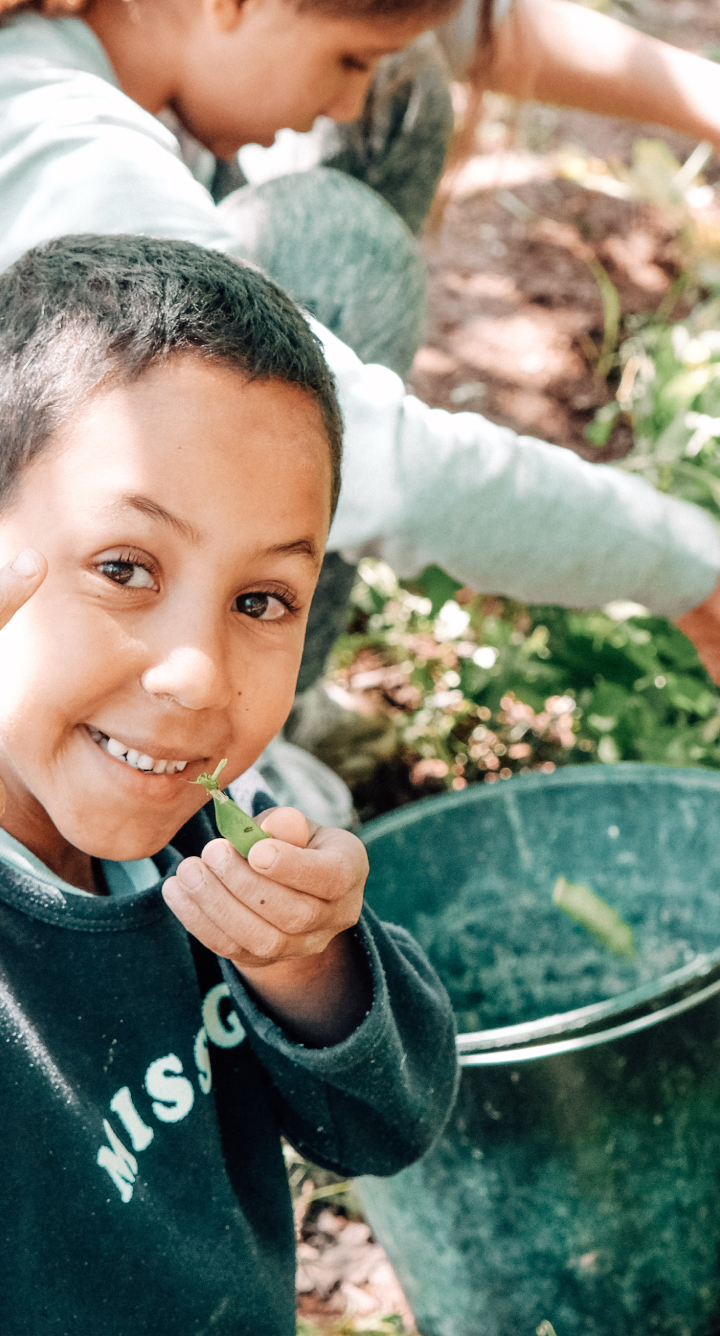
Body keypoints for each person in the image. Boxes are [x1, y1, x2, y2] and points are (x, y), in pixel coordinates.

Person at [1, 0, 720, 813]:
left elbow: (476, 24)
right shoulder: (59, 147)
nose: (349, 103)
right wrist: (690, 568)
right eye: (347, 62)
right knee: (333, 243)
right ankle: (170, 734)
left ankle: (257, 677)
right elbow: (388, 464)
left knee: (407, 83)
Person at [0, 231, 458, 1334]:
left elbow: (386, 1125)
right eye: (124, 567)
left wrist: (309, 962)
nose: (198, 676)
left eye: (263, 601)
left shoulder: (208, 843)